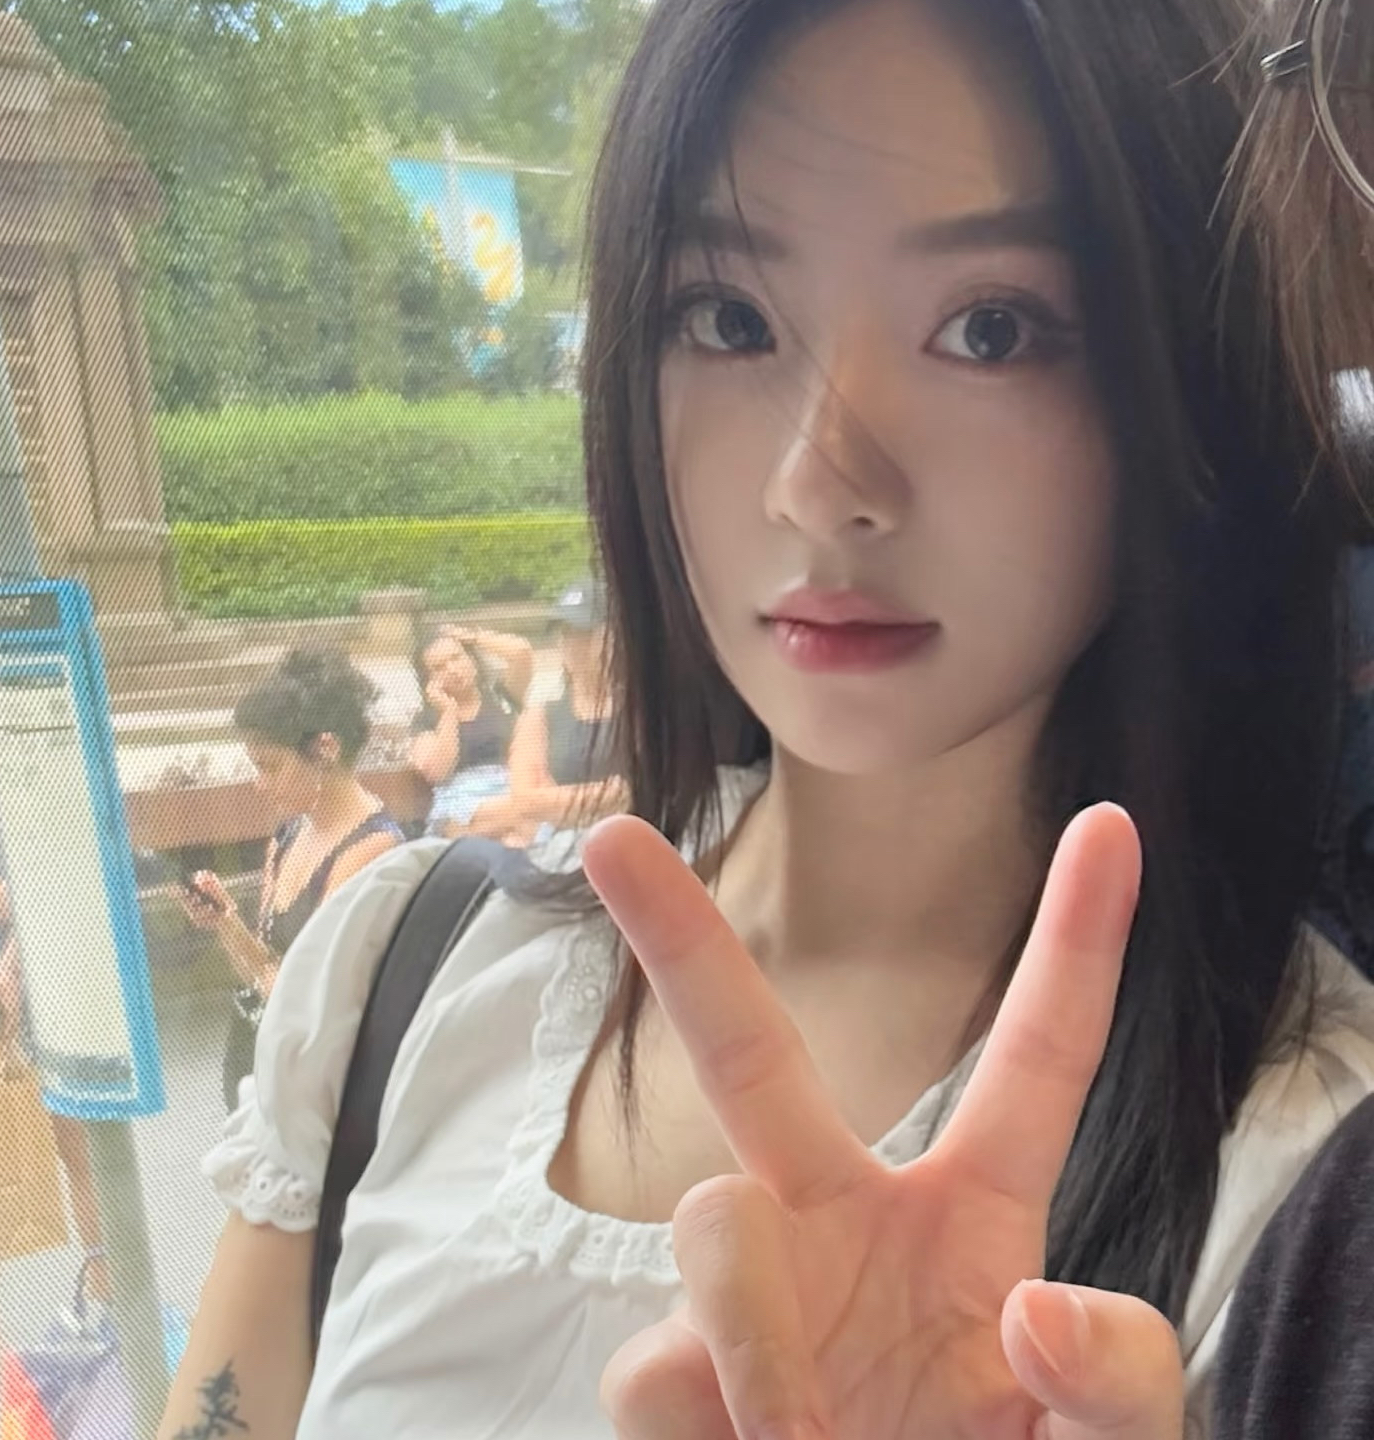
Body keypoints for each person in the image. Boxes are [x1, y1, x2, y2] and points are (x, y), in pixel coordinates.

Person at [157, 0, 1374, 1437]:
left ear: (1186, 389)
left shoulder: (1305, 1180)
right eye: (728, 320)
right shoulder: (406, 971)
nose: (818, 483)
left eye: (992, 329)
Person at [0, 621, 110, 1395]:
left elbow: (64, 848)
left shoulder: (35, 731)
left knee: (81, 1139)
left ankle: (115, 1309)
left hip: (52, 948)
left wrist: (22, 928)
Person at [182, 650, 404, 1110]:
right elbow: (264, 965)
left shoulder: (372, 850)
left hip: (321, 1087)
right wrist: (226, 921)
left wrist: (268, 973)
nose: (260, 783)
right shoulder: (288, 834)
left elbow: (309, 993)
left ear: (325, 749)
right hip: (260, 1063)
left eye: (270, 765)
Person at [508, 579, 628, 836]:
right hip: (565, 846)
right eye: (564, 633)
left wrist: (557, 800)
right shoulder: (539, 716)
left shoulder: (642, 713)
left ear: (614, 636)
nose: (571, 643)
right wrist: (607, 793)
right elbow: (524, 802)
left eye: (583, 633)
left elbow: (648, 791)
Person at [410, 624, 536, 840]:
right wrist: (448, 712)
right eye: (439, 667)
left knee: (514, 840)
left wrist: (472, 637)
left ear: (471, 658)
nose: (452, 669)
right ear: (428, 680)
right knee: (532, 814)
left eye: (456, 657)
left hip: (511, 789)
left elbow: (522, 653)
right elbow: (438, 772)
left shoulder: (502, 696)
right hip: (461, 805)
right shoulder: (427, 719)